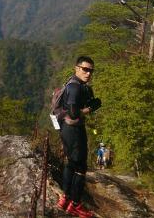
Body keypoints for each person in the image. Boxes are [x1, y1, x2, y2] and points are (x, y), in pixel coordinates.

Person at [56, 56, 101, 218]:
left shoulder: (72, 82)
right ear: (77, 68)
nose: (88, 73)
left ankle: (64, 198)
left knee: (71, 163)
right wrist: (91, 108)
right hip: (74, 129)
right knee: (81, 168)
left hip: (66, 128)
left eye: (91, 70)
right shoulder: (75, 87)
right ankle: (75, 205)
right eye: (85, 69)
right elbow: (74, 113)